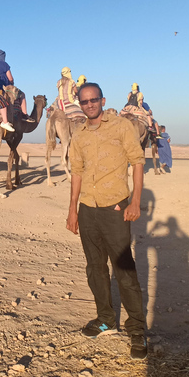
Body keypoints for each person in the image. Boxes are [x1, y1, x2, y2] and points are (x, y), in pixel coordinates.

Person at [66, 82, 148, 360]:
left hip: (115, 208)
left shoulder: (122, 126)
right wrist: (72, 209)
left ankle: (137, 329)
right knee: (95, 268)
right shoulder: (78, 134)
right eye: (85, 101)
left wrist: (135, 201)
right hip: (88, 208)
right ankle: (106, 320)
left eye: (93, 100)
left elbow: (137, 161)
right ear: (80, 103)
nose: (89, 105)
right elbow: (76, 171)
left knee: (124, 269)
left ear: (102, 100)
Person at [0, 49, 33, 122]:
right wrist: (12, 84)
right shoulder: (4, 64)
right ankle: (24, 115)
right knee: (22, 94)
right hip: (5, 88)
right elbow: (10, 78)